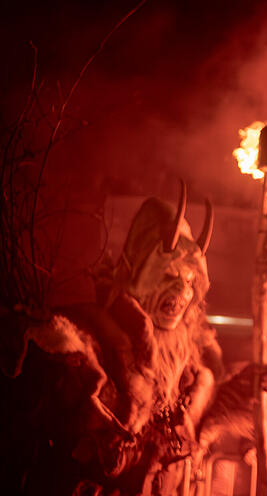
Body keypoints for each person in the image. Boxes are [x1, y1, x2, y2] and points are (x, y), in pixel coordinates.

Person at [0, 186, 220, 495]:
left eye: (188, 280)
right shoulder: (89, 342)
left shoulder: (189, 373)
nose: (183, 292)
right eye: (169, 275)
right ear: (137, 272)